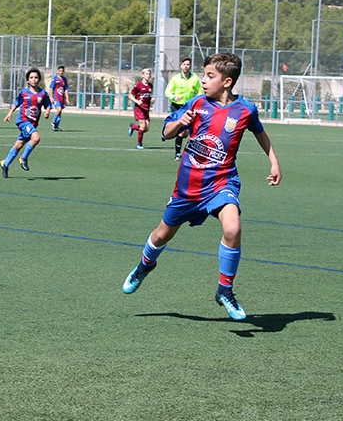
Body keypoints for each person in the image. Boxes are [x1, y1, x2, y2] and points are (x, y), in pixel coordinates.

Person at [121, 53, 282, 321]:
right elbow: (165, 133)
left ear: (227, 82)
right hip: (188, 188)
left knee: (233, 228)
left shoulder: (245, 110)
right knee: (161, 235)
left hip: (222, 183)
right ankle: (144, 266)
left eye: (210, 76)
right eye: (203, 75)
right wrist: (179, 123)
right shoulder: (196, 103)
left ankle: (225, 290)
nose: (203, 81)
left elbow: (260, 132)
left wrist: (274, 162)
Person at [0, 68, 52, 178]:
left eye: (36, 77)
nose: (34, 79)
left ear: (39, 80)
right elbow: (16, 103)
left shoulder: (43, 93)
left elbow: (48, 105)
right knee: (36, 138)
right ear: (28, 80)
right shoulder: (24, 92)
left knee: (19, 144)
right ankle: (23, 158)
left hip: (33, 123)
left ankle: (5, 164)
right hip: (23, 121)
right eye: (31, 77)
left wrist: (47, 112)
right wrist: (10, 113)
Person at [164, 57, 203, 160]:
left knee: (186, 132)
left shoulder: (194, 78)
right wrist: (173, 97)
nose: (186, 66)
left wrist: (197, 100)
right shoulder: (175, 79)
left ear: (190, 66)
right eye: (184, 64)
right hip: (177, 106)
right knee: (180, 129)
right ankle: (177, 154)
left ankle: (169, 135)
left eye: (188, 64)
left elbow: (199, 91)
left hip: (189, 107)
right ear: (181, 66)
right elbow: (167, 91)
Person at [128, 68, 153, 150]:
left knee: (146, 129)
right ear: (143, 75)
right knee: (143, 125)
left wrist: (151, 99)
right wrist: (137, 101)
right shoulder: (138, 85)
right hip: (139, 109)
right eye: (146, 74)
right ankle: (139, 144)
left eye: (149, 74)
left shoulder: (150, 86)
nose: (148, 75)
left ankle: (133, 127)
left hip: (146, 109)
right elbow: (130, 96)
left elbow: (147, 96)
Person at [49, 65, 69, 131]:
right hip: (56, 97)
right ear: (58, 71)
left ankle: (56, 126)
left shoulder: (64, 79)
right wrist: (51, 97)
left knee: (60, 112)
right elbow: (51, 88)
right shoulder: (55, 79)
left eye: (62, 71)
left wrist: (67, 98)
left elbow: (66, 89)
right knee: (59, 110)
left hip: (61, 98)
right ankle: (53, 122)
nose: (61, 72)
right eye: (60, 71)